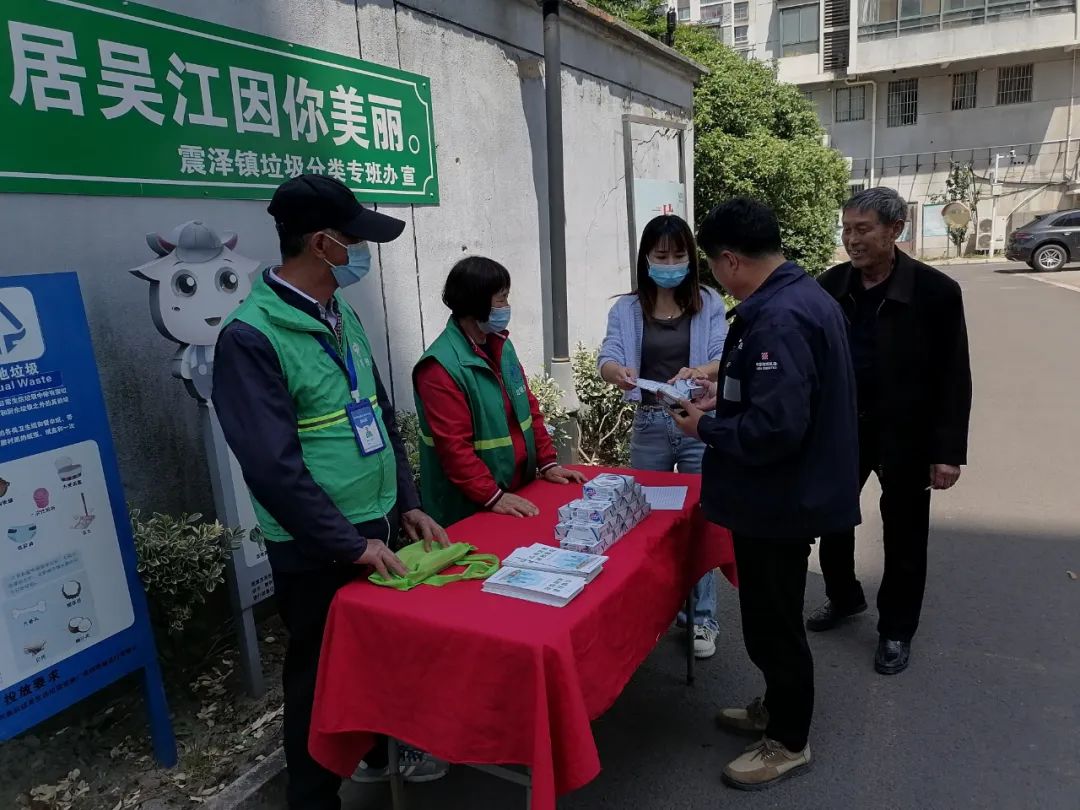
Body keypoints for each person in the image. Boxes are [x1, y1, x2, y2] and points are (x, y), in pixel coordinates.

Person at [212, 174, 450, 810]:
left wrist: (407, 503)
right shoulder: (250, 337)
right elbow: (273, 469)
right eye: (355, 239)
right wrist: (348, 544)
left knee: (379, 653)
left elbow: (379, 415)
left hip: (375, 522)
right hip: (317, 547)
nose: (363, 253)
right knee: (319, 678)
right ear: (322, 244)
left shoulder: (339, 315)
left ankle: (378, 755)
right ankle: (314, 799)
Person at [672, 198, 860, 790]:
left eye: (712, 265)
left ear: (730, 260)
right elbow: (776, 398)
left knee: (773, 623)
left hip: (779, 501)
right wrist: (722, 401)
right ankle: (777, 709)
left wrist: (705, 427)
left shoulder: (778, 317)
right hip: (787, 492)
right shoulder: (801, 297)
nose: (716, 276)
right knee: (771, 616)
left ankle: (788, 741)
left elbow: (776, 430)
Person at [808, 187, 972, 676]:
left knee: (904, 535)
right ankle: (844, 597)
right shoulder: (831, 285)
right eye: (846, 229)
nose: (852, 240)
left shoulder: (936, 292)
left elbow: (953, 375)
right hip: (844, 430)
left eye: (863, 229)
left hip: (906, 435)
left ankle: (897, 629)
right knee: (833, 518)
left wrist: (947, 451)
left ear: (895, 229)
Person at [597, 214, 729, 659]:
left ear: (690, 258)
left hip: (696, 419)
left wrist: (699, 371)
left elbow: (724, 355)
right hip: (650, 422)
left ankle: (701, 618)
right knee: (646, 520)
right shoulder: (627, 308)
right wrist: (616, 372)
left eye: (678, 256)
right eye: (661, 256)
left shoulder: (708, 302)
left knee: (700, 518)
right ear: (646, 259)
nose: (670, 264)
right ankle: (650, 613)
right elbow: (608, 355)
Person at [413, 256, 585, 525]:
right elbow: (454, 449)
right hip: (468, 509)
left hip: (515, 491)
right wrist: (492, 496)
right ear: (476, 303)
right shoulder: (439, 367)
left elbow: (528, 410)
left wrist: (548, 463)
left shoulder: (501, 346)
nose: (507, 307)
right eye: (501, 299)